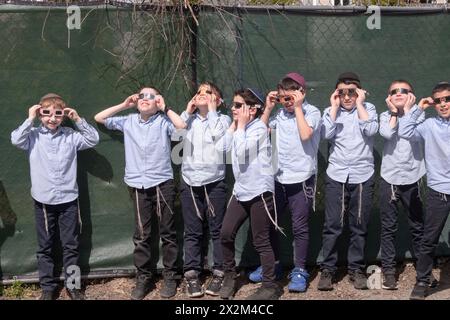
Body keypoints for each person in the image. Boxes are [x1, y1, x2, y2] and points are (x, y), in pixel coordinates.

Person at [94, 87, 186, 299]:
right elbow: (99, 118)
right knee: (142, 235)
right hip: (137, 185)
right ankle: (143, 277)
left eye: (151, 97)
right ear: (136, 101)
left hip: (163, 184)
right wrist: (124, 105)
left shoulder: (164, 121)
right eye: (142, 96)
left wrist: (166, 108)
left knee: (168, 233)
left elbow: (182, 127)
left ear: (158, 102)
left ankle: (171, 277)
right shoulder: (128, 120)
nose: (146, 99)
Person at [11, 93, 99, 300]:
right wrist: (29, 118)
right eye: (47, 114)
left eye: (57, 115)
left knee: (71, 245)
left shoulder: (70, 135)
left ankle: (73, 286)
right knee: (45, 247)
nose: (52, 119)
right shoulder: (32, 136)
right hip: (43, 201)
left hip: (69, 201)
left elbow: (93, 139)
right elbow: (15, 140)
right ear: (40, 113)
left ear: (63, 115)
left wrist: (78, 120)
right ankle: (48, 288)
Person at [251, 72, 321, 293]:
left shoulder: (313, 112)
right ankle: (272, 265)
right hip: (277, 178)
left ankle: (299, 270)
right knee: (272, 223)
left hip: (300, 179)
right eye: (283, 98)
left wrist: (298, 107)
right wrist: (269, 108)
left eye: (290, 97)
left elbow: (305, 135)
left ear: (302, 93)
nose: (287, 102)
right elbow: (258, 133)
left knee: (299, 227)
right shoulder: (278, 115)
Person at [219, 88, 282, 300]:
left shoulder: (259, 129)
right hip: (241, 192)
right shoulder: (238, 127)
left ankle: (270, 286)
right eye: (233, 105)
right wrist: (234, 125)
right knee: (226, 234)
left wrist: (241, 126)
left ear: (252, 110)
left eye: (238, 105)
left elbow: (240, 151)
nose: (233, 108)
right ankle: (230, 277)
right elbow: (221, 149)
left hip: (260, 192)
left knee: (261, 240)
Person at [318, 72, 378, 291]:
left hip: (362, 174)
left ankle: (356, 269)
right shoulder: (329, 111)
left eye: (351, 92)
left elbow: (371, 130)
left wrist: (361, 103)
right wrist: (333, 107)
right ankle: (328, 269)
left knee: (359, 224)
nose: (346, 97)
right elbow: (326, 134)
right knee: (332, 224)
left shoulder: (368, 109)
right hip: (337, 174)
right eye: (342, 92)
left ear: (359, 92)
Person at [177, 82, 231, 297]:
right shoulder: (187, 120)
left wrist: (213, 111)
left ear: (218, 101)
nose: (202, 95)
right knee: (192, 231)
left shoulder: (224, 119)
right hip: (189, 182)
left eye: (209, 93)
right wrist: (187, 112)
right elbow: (175, 133)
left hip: (214, 182)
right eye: (199, 92)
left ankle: (219, 273)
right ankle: (191, 275)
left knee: (217, 229)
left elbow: (220, 137)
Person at [398, 81, 450, 300]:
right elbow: (404, 130)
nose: (443, 104)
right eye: (438, 101)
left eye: (447, 99)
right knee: (429, 239)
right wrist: (419, 108)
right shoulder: (428, 126)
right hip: (439, 191)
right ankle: (422, 281)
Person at [378, 80, 425, 290]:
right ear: (388, 97)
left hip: (413, 176)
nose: (398, 93)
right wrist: (395, 114)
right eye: (394, 92)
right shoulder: (384, 115)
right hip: (389, 178)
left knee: (417, 225)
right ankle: (388, 271)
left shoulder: (420, 114)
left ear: (411, 95)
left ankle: (423, 270)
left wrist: (408, 111)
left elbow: (414, 137)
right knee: (388, 227)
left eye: (403, 91)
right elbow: (388, 134)